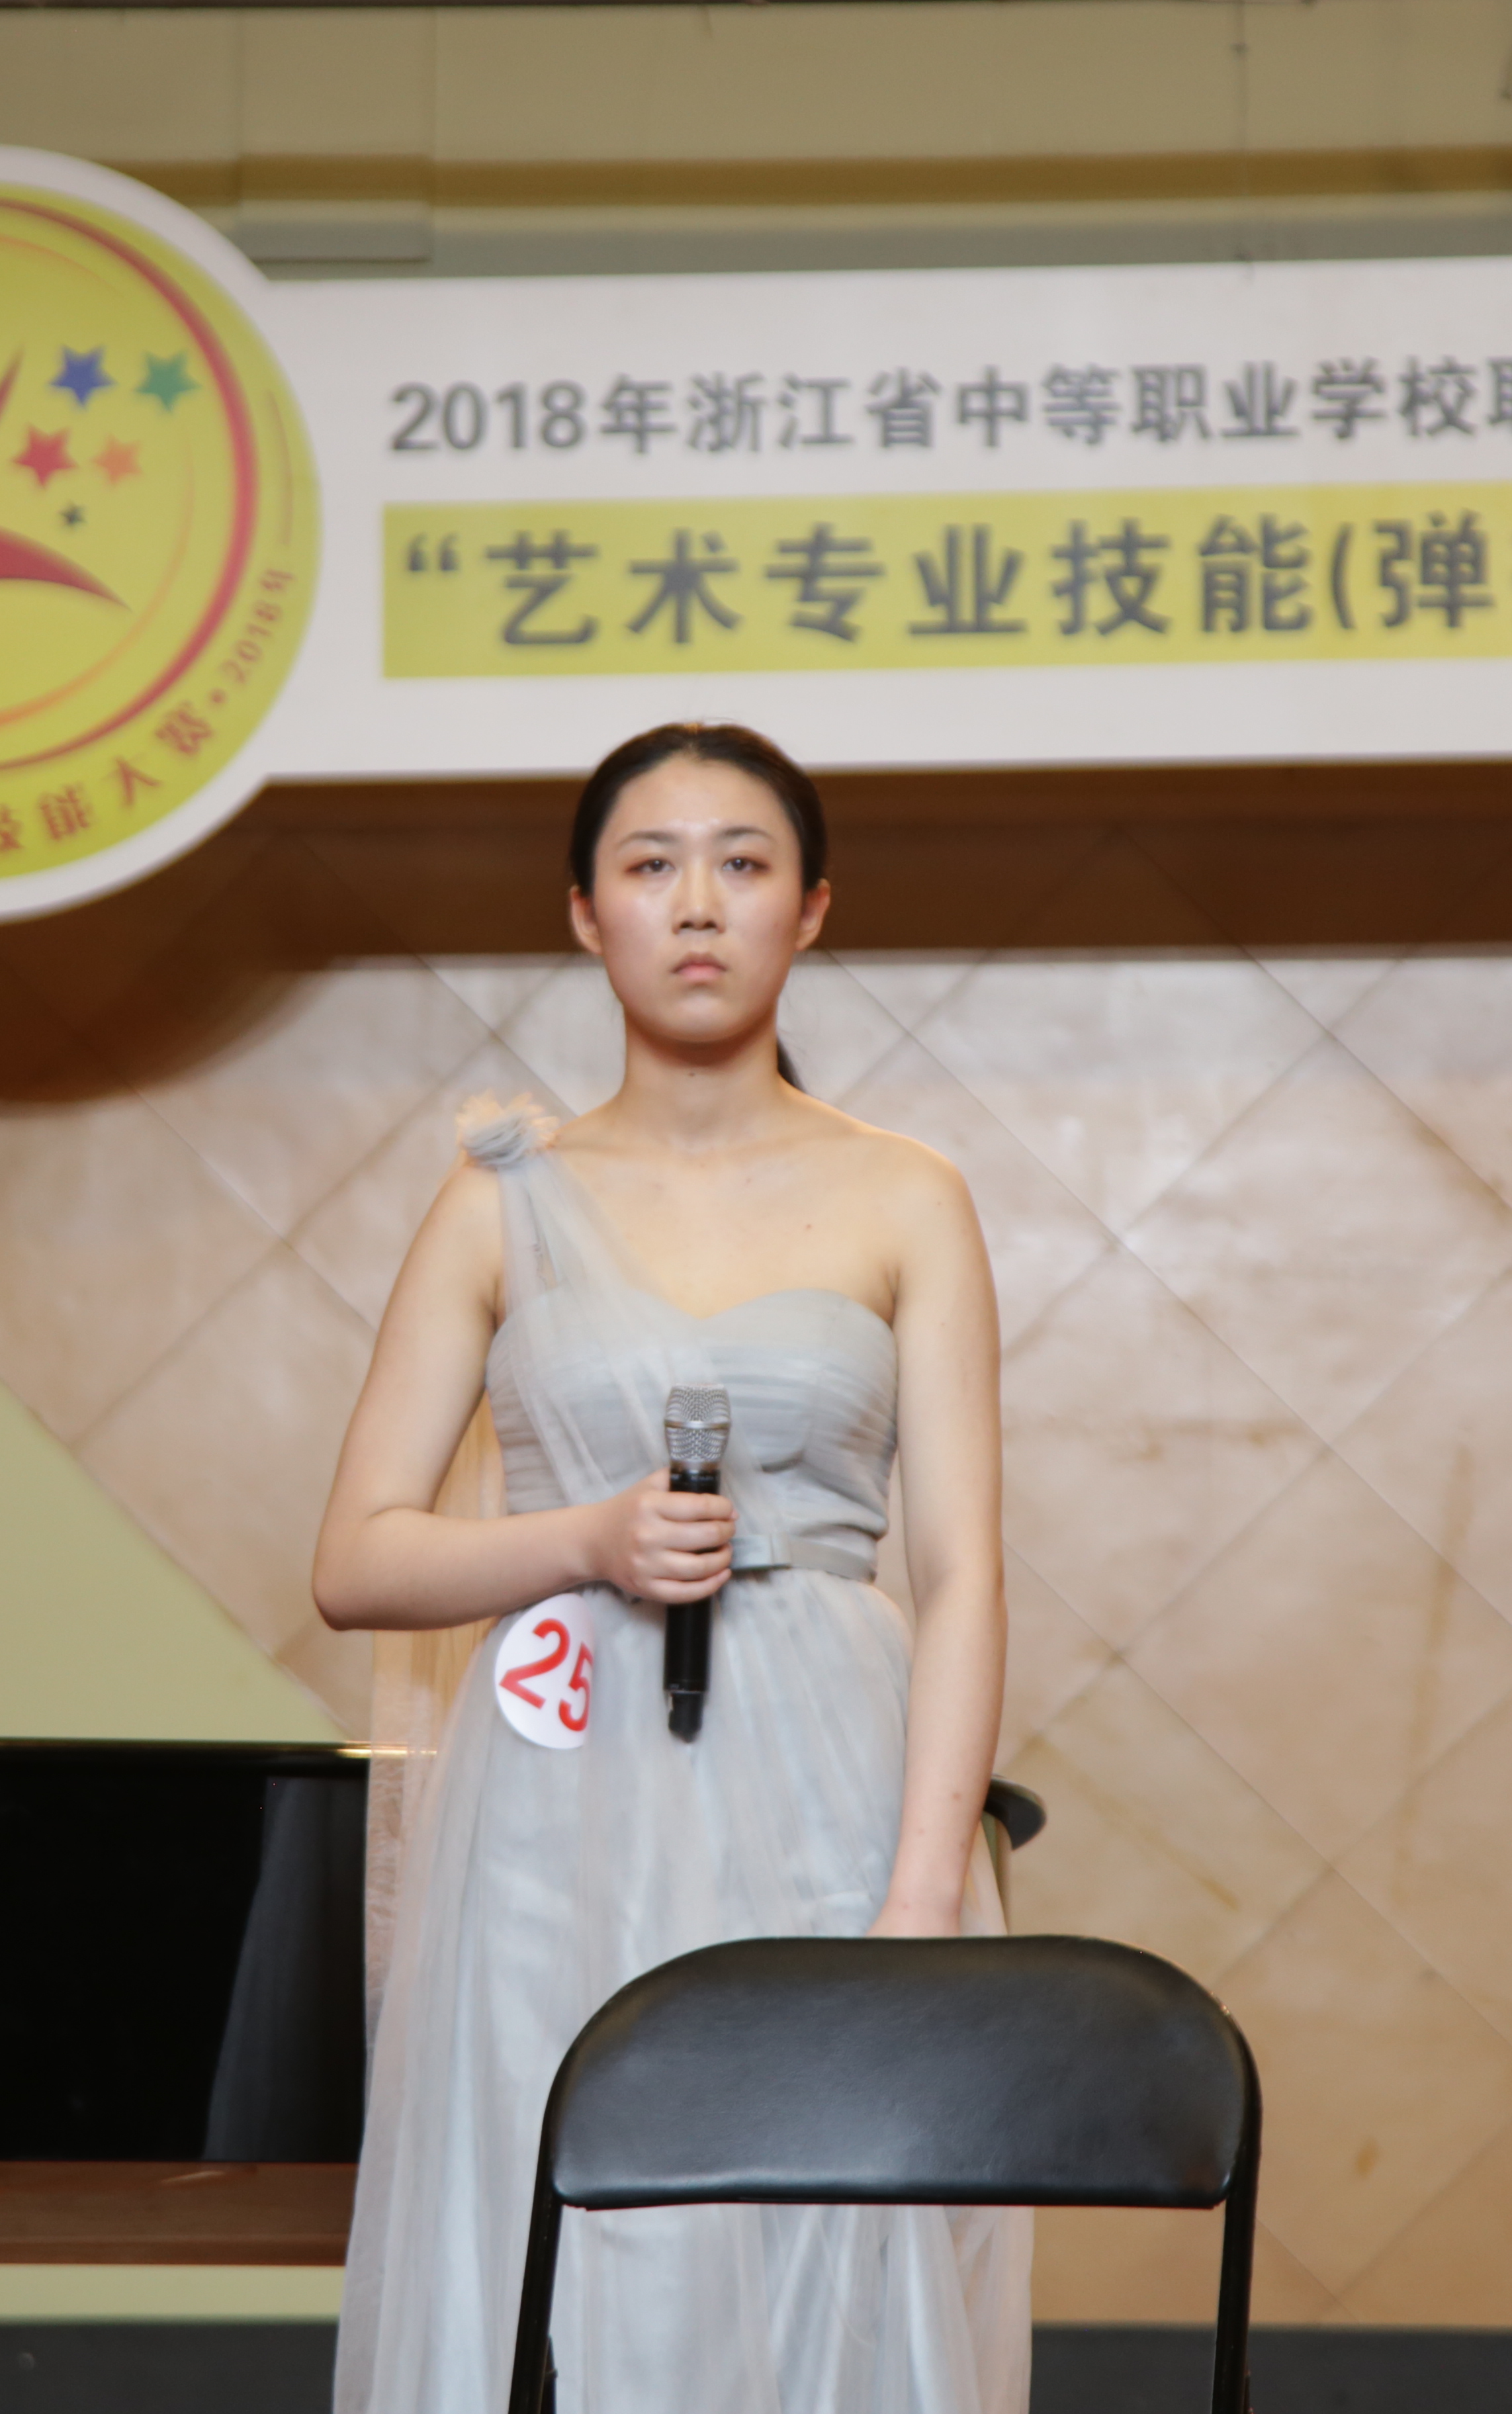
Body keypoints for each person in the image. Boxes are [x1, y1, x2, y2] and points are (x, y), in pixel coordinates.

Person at [312, 723, 1027, 2414]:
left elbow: (964, 1572)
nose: (696, 904)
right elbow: (356, 1557)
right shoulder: (499, 1201)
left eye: (743, 863)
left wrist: (923, 1894)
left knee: (831, 2222)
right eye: (650, 866)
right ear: (586, 913)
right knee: (562, 2233)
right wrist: (583, 1541)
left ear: (811, 908)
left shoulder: (907, 1195)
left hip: (838, 1786)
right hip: (556, 1809)